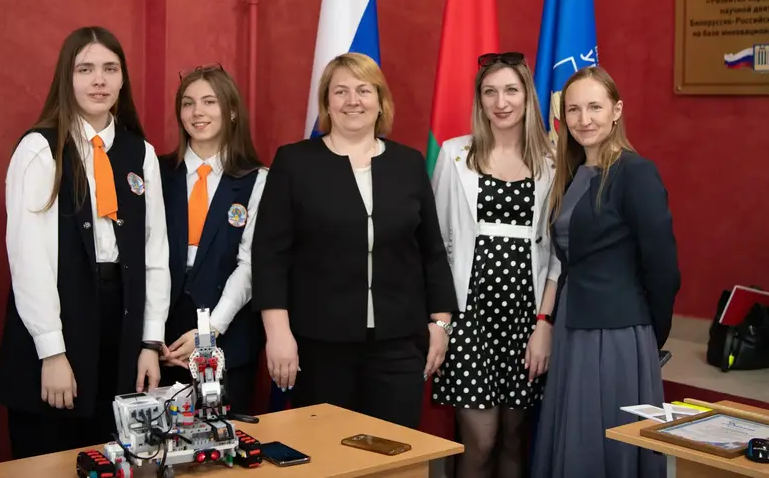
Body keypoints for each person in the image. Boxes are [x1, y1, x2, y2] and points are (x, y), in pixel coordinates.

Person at [251, 52, 457, 429]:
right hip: (319, 346)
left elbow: (432, 251)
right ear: (327, 103)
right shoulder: (294, 163)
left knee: (395, 457)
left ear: (381, 101)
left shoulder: (408, 164)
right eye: (340, 91)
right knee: (327, 455)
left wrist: (441, 324)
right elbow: (269, 255)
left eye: (364, 90)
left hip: (399, 345)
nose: (352, 101)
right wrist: (277, 333)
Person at [0, 26, 170, 459]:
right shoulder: (40, 149)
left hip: (120, 326)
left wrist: (149, 343)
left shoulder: (139, 153)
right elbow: (28, 259)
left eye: (110, 69)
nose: (99, 81)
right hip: (57, 325)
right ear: (66, 79)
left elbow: (154, 252)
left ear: (123, 79)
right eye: (85, 69)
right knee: (53, 454)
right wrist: (52, 353)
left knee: (113, 456)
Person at [531, 66, 681, 478]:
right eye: (574, 110)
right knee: (575, 440)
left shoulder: (635, 172)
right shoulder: (573, 172)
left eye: (595, 107)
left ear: (617, 110)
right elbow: (567, 260)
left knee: (605, 446)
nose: (584, 119)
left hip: (616, 334)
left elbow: (663, 266)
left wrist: (651, 335)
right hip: (573, 327)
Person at [431, 52, 558, 478]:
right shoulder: (454, 156)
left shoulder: (554, 162)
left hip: (526, 322)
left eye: (510, 90)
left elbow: (559, 252)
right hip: (469, 321)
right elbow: (435, 243)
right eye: (490, 92)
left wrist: (544, 323)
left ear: (527, 96)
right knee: (480, 442)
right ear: (479, 101)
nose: (501, 101)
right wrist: (440, 321)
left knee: (513, 440)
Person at [158, 64, 266, 413]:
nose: (197, 112)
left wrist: (211, 331)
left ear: (231, 111)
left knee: (223, 445)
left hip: (227, 331)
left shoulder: (257, 180)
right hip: (163, 335)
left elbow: (250, 265)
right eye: (188, 103)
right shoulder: (157, 172)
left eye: (209, 102)